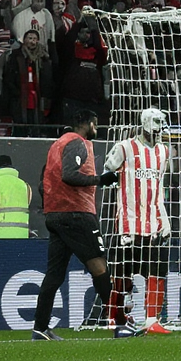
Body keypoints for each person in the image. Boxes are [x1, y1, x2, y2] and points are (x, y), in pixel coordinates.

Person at [32, 110, 127, 340]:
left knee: (54, 275)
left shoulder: (57, 145)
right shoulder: (77, 143)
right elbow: (69, 175)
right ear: (87, 124)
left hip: (56, 215)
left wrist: (53, 206)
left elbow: (44, 183)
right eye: (95, 124)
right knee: (100, 267)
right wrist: (100, 180)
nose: (96, 128)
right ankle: (120, 324)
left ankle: (40, 328)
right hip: (77, 214)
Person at [103, 107, 174, 334]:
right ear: (145, 124)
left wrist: (165, 219)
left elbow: (160, 187)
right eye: (156, 125)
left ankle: (151, 320)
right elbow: (107, 171)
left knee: (157, 270)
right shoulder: (124, 148)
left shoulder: (164, 151)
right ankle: (115, 316)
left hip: (154, 222)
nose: (159, 131)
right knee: (123, 273)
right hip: (129, 222)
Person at [0, 29, 57, 136]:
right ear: (24, 40)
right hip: (20, 97)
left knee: (36, 126)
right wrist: (15, 92)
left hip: (37, 98)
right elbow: (9, 78)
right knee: (20, 127)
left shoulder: (44, 57)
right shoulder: (16, 56)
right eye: (30, 38)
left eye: (35, 39)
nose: (32, 41)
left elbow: (48, 80)